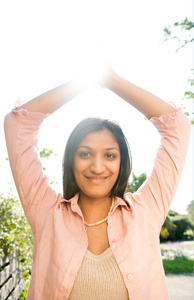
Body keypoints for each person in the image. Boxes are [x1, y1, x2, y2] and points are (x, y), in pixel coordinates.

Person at [4, 66, 191, 300]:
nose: (97, 167)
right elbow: (16, 125)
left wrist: (113, 82)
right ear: (71, 160)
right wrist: (82, 81)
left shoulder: (146, 213)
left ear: (122, 162)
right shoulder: (46, 213)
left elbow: (178, 128)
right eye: (85, 154)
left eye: (110, 155)